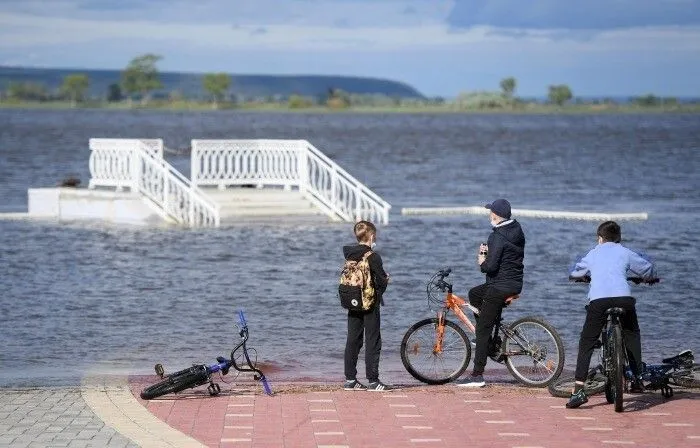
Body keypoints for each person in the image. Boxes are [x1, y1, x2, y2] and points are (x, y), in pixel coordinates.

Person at [566, 220, 657, 409]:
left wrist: (581, 277)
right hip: (624, 299)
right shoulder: (625, 252)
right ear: (619, 239)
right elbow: (648, 268)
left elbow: (575, 272)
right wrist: (648, 278)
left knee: (587, 341)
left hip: (599, 301)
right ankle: (637, 378)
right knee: (632, 333)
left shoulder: (593, 253)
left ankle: (578, 390)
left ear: (600, 239)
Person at [456, 198, 526, 387]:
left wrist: (482, 259)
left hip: (500, 286)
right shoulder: (517, 230)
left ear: (495, 215)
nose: (489, 216)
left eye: (490, 213)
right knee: (474, 294)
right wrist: (491, 254)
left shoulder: (496, 236)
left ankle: (477, 375)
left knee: (482, 330)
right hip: (514, 282)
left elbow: (490, 267)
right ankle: (490, 334)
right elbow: (505, 257)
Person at [342, 220, 394, 391]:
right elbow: (381, 282)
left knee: (353, 340)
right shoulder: (373, 257)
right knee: (373, 340)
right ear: (371, 236)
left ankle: (350, 380)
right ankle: (373, 380)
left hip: (352, 301)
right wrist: (386, 279)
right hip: (370, 303)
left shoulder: (349, 254)